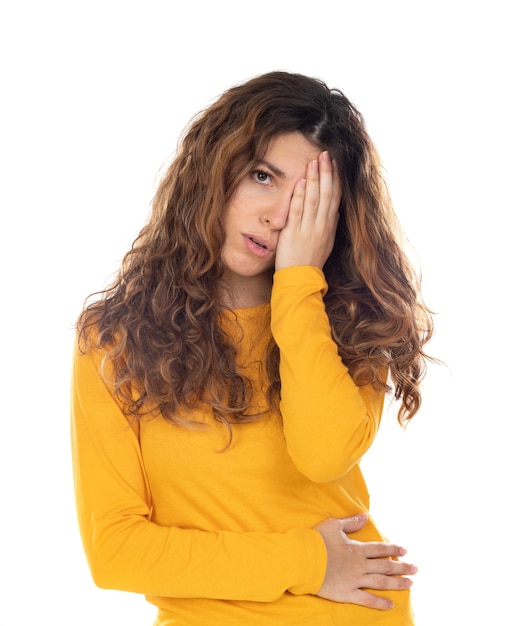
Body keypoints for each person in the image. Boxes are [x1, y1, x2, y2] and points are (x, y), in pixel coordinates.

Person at [71, 70, 434, 625]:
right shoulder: (116, 338)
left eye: (308, 200)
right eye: (263, 176)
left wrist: (296, 284)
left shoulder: (352, 327)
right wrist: (310, 562)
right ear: (215, 169)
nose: (278, 215)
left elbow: (323, 455)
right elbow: (116, 552)